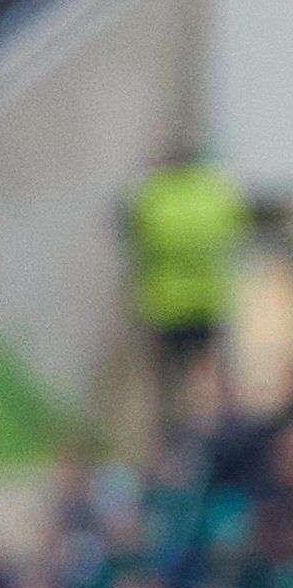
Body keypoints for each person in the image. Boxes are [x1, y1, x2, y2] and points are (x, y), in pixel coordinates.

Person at [122, 153, 251, 429]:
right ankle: (216, 431)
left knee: (166, 386)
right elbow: (238, 227)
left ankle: (172, 435)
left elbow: (129, 231)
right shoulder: (217, 191)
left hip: (164, 305)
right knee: (208, 377)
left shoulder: (152, 195)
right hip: (208, 303)